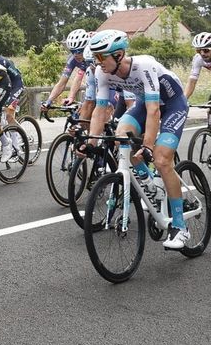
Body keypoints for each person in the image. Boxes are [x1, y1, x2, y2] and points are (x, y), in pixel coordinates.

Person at [83, 29, 194, 250]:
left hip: (172, 105)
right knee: (121, 138)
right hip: (145, 104)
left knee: (161, 159)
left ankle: (180, 226)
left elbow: (154, 111)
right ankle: (150, 183)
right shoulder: (102, 73)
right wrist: (90, 143)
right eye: (94, 57)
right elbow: (99, 110)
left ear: (118, 55)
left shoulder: (144, 66)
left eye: (100, 56)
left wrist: (148, 146)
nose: (97, 62)